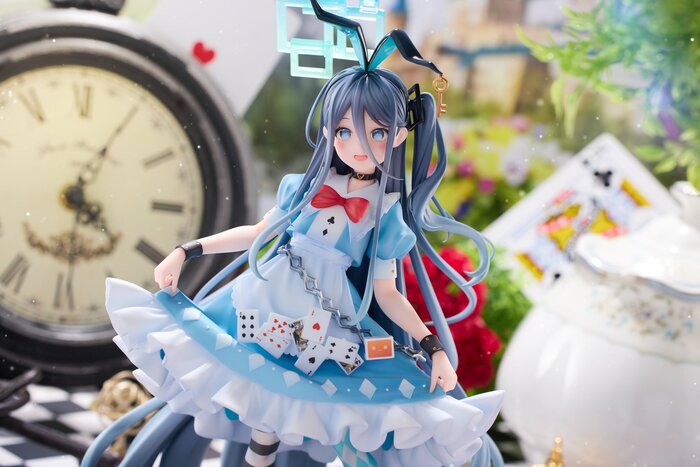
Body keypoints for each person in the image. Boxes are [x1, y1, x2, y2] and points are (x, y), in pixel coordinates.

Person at [82, 2, 504, 466]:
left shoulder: (385, 214)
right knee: (251, 387)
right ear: (328, 130)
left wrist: (432, 347)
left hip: (326, 313)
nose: (357, 144)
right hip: (265, 297)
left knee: (295, 403)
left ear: (400, 135)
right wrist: (188, 250)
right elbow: (259, 234)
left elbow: (387, 293)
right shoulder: (305, 188)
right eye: (344, 130)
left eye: (377, 133)